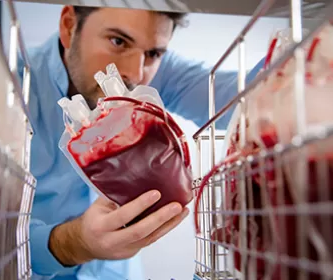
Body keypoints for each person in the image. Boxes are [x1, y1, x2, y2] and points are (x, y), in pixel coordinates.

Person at [17, 5, 264, 280]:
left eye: (154, 53)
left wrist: (307, 42)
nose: (135, 74)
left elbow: (242, 101)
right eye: (118, 41)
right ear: (69, 26)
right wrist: (73, 244)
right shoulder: (6, 90)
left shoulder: (152, 71)